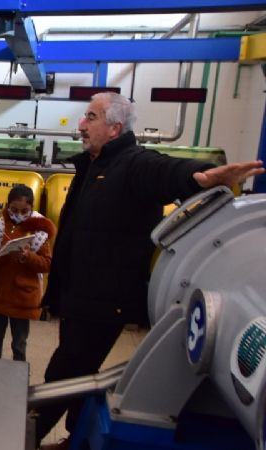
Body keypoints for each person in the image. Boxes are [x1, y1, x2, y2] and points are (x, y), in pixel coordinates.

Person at [36, 92, 265, 450]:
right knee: (79, 374)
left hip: (101, 301)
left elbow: (164, 170)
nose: (81, 125)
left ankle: (25, 434)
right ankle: (73, 438)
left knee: (63, 373)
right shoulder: (94, 166)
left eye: (90, 117)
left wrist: (199, 177)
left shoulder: (132, 164)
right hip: (77, 294)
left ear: (114, 129)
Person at [0, 185, 55, 361]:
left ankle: (18, 374)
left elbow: (46, 264)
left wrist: (28, 257)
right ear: (7, 206)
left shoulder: (39, 230)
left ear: (32, 209)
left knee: (19, 344)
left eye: (24, 211)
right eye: (14, 210)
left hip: (23, 298)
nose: (19, 214)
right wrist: (4, 254)